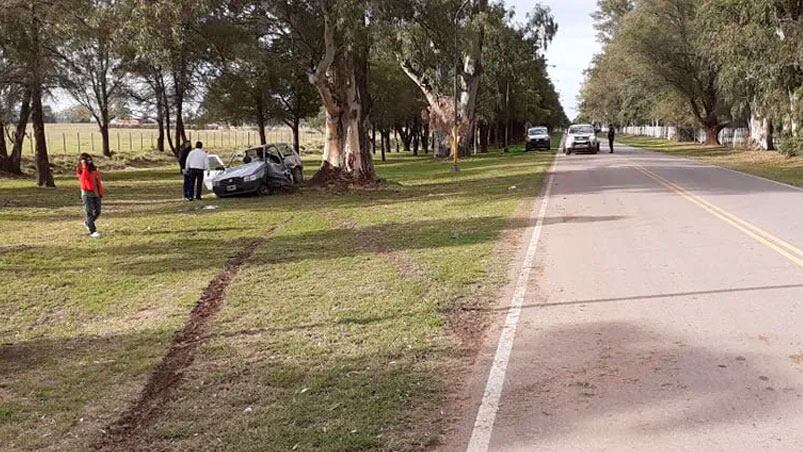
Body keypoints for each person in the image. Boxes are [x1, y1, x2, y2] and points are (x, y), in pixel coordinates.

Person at [76, 153, 103, 238]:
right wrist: (84, 166)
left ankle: (88, 222)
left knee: (98, 211)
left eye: (90, 160)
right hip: (87, 194)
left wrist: (100, 192)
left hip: (96, 193)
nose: (89, 162)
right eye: (86, 160)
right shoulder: (80, 170)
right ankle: (93, 231)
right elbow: (85, 177)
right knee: (89, 213)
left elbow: (98, 182)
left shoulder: (94, 169)